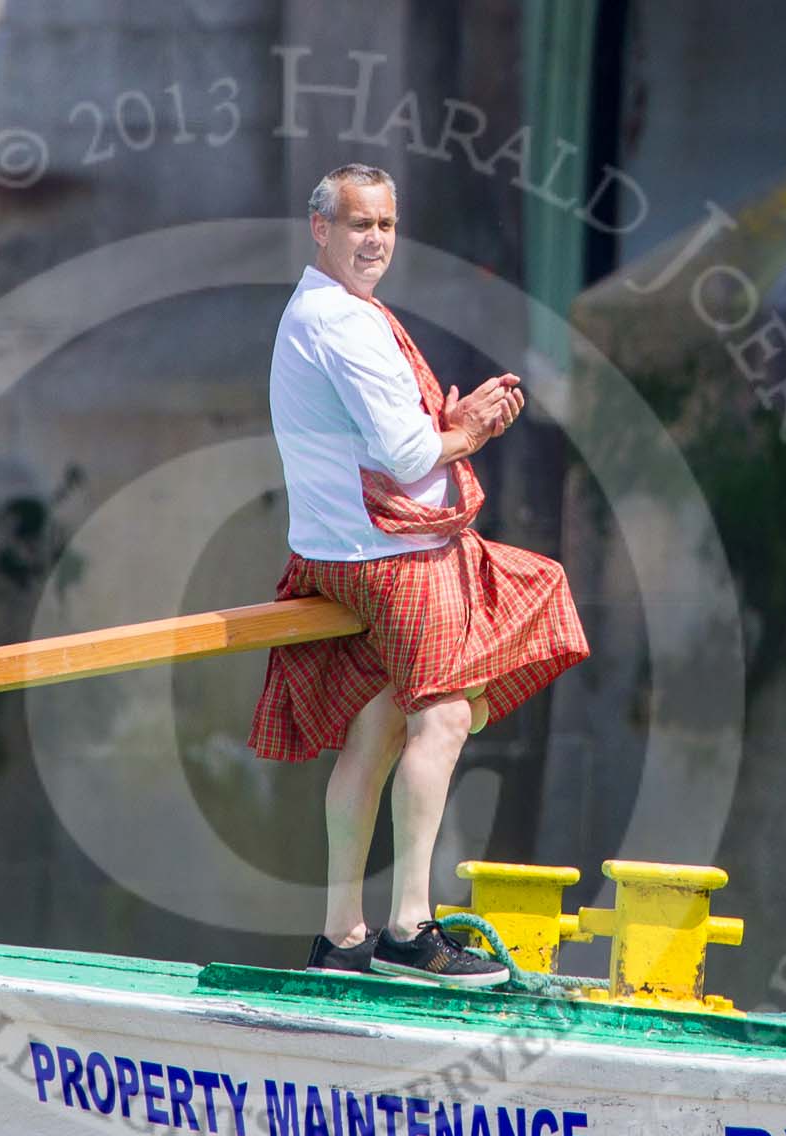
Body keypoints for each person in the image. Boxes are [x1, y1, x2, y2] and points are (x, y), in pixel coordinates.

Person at [249, 163, 590, 987]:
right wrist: (467, 432)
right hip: (392, 559)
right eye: (359, 224)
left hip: (343, 553)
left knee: (376, 727)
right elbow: (405, 455)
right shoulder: (345, 324)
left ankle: (340, 935)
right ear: (320, 229)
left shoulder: (325, 312)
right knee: (441, 718)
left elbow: (384, 439)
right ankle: (408, 929)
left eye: (387, 226)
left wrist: (449, 422)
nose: (375, 241)